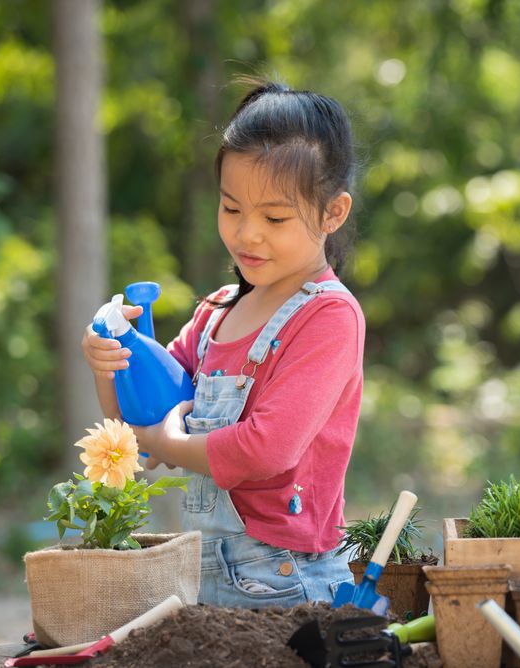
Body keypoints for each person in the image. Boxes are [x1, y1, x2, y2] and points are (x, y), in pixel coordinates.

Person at [80, 81, 364, 608]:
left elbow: (267, 448)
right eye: (232, 209)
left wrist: (169, 445)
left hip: (288, 583)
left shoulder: (329, 317)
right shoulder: (215, 314)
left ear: (333, 213)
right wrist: (110, 362)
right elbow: (142, 428)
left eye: (274, 218)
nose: (247, 234)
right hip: (205, 572)